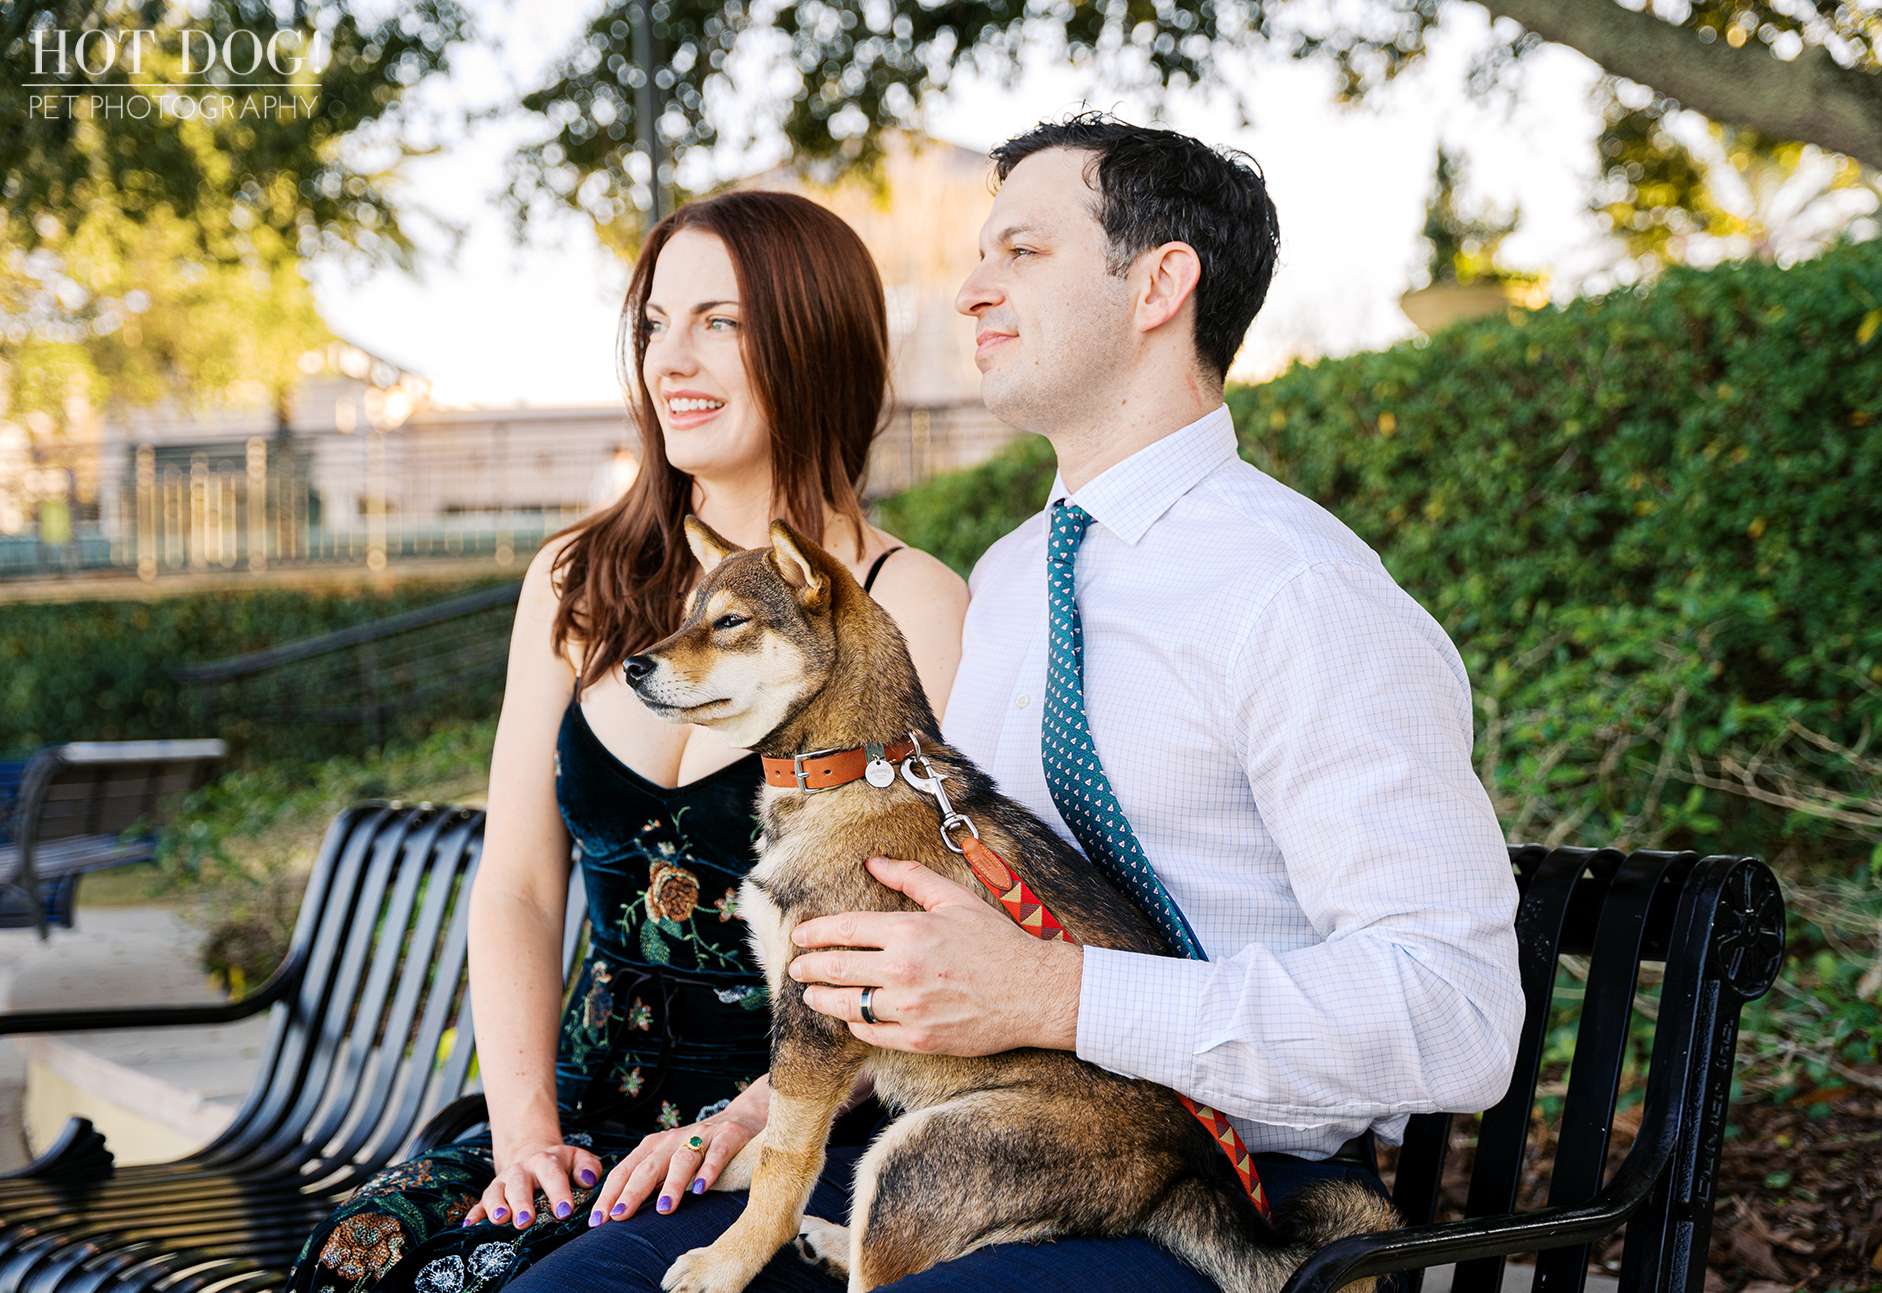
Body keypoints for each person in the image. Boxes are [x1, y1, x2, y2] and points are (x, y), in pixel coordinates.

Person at [503, 116, 1525, 1293]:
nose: (970, 289)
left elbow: (1454, 1013)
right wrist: (754, 1115)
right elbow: (928, 917)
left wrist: (1060, 993)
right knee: (580, 1287)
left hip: (1216, 1183)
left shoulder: (1302, 597)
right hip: (973, 1134)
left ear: (1159, 284)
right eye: (979, 256)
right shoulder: (1008, 581)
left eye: (1021, 253)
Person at [283, 189, 968, 1293]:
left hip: (798, 1128)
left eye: (719, 323)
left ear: (816, 340)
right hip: (579, 1113)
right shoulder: (577, 580)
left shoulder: (904, 607)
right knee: (362, 1266)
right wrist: (522, 1137)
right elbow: (513, 884)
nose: (670, 360)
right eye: (653, 323)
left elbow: (907, 938)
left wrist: (733, 1130)